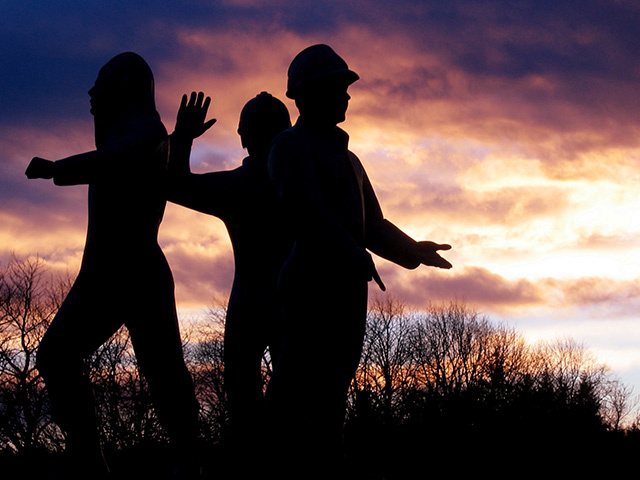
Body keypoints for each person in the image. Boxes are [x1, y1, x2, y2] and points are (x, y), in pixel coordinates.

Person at [264, 44, 453, 480]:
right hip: (311, 287)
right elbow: (305, 210)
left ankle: (327, 466)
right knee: (292, 390)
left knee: (332, 397)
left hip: (348, 290)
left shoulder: (349, 159)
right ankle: (270, 469)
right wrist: (352, 253)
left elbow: (372, 223)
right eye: (338, 87)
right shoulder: (289, 147)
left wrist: (412, 250)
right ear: (309, 94)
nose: (347, 97)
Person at [25, 52, 201, 479]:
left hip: (133, 272)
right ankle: (93, 458)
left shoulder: (142, 130)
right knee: (60, 356)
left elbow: (122, 158)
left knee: (161, 376)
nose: (91, 92)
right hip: (108, 271)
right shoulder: (134, 131)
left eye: (100, 83)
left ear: (123, 89)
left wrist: (57, 168)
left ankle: (187, 459)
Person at [168, 91, 293, 479]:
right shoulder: (299, 180)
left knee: (246, 399)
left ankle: (253, 470)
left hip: (251, 303)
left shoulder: (242, 185)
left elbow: (174, 185)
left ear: (242, 137)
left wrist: (183, 138)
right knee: (292, 395)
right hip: (293, 302)